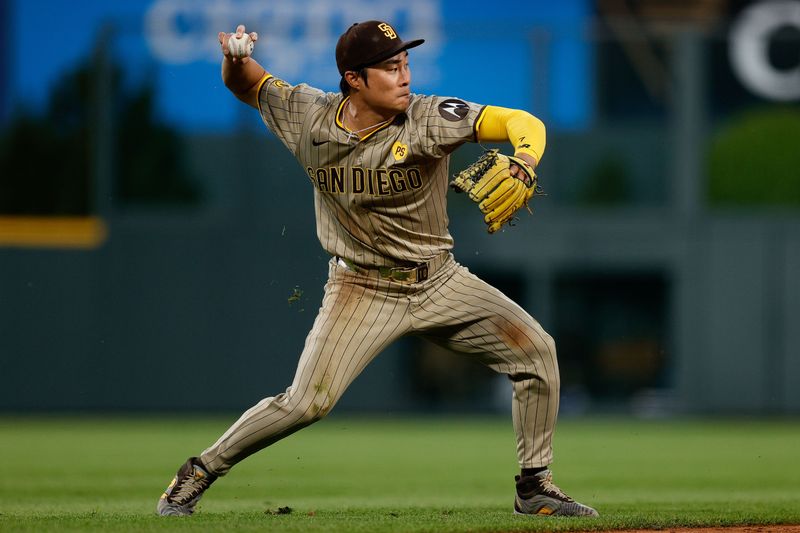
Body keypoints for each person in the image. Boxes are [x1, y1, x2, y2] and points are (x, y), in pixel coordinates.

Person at [157, 20, 598, 518]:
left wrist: (524, 160)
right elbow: (249, 84)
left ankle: (534, 486)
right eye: (390, 67)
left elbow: (522, 120)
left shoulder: (428, 117)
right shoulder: (309, 115)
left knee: (537, 352)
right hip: (360, 287)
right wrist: (235, 59)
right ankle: (198, 472)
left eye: (406, 63)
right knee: (307, 403)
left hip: (439, 279)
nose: (405, 75)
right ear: (354, 79)